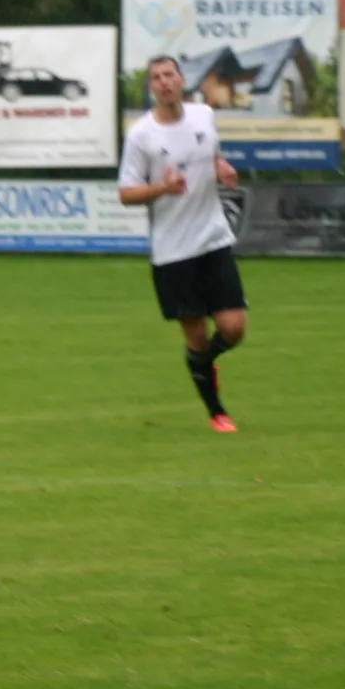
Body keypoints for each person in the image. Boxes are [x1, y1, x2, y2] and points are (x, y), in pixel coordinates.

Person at [117, 56, 246, 432]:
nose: (164, 82)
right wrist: (162, 188)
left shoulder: (204, 115)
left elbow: (213, 154)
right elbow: (126, 194)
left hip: (213, 238)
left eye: (169, 74)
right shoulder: (141, 135)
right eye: (156, 78)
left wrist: (221, 167)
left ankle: (207, 363)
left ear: (182, 79)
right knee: (196, 336)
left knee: (234, 328)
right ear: (151, 88)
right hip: (173, 251)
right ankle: (217, 412)